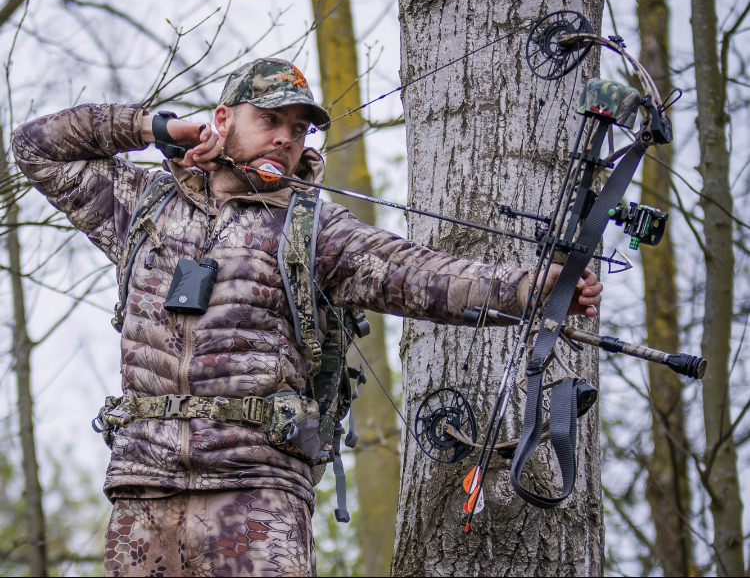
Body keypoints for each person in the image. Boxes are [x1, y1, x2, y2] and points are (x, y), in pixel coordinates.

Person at [12, 57, 602, 577]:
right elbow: (35, 144)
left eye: (298, 129)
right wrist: (158, 127)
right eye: (270, 120)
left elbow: (421, 275)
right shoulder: (140, 205)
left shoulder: (313, 227)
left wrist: (531, 289)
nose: (285, 139)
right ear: (222, 119)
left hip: (257, 496)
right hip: (143, 490)